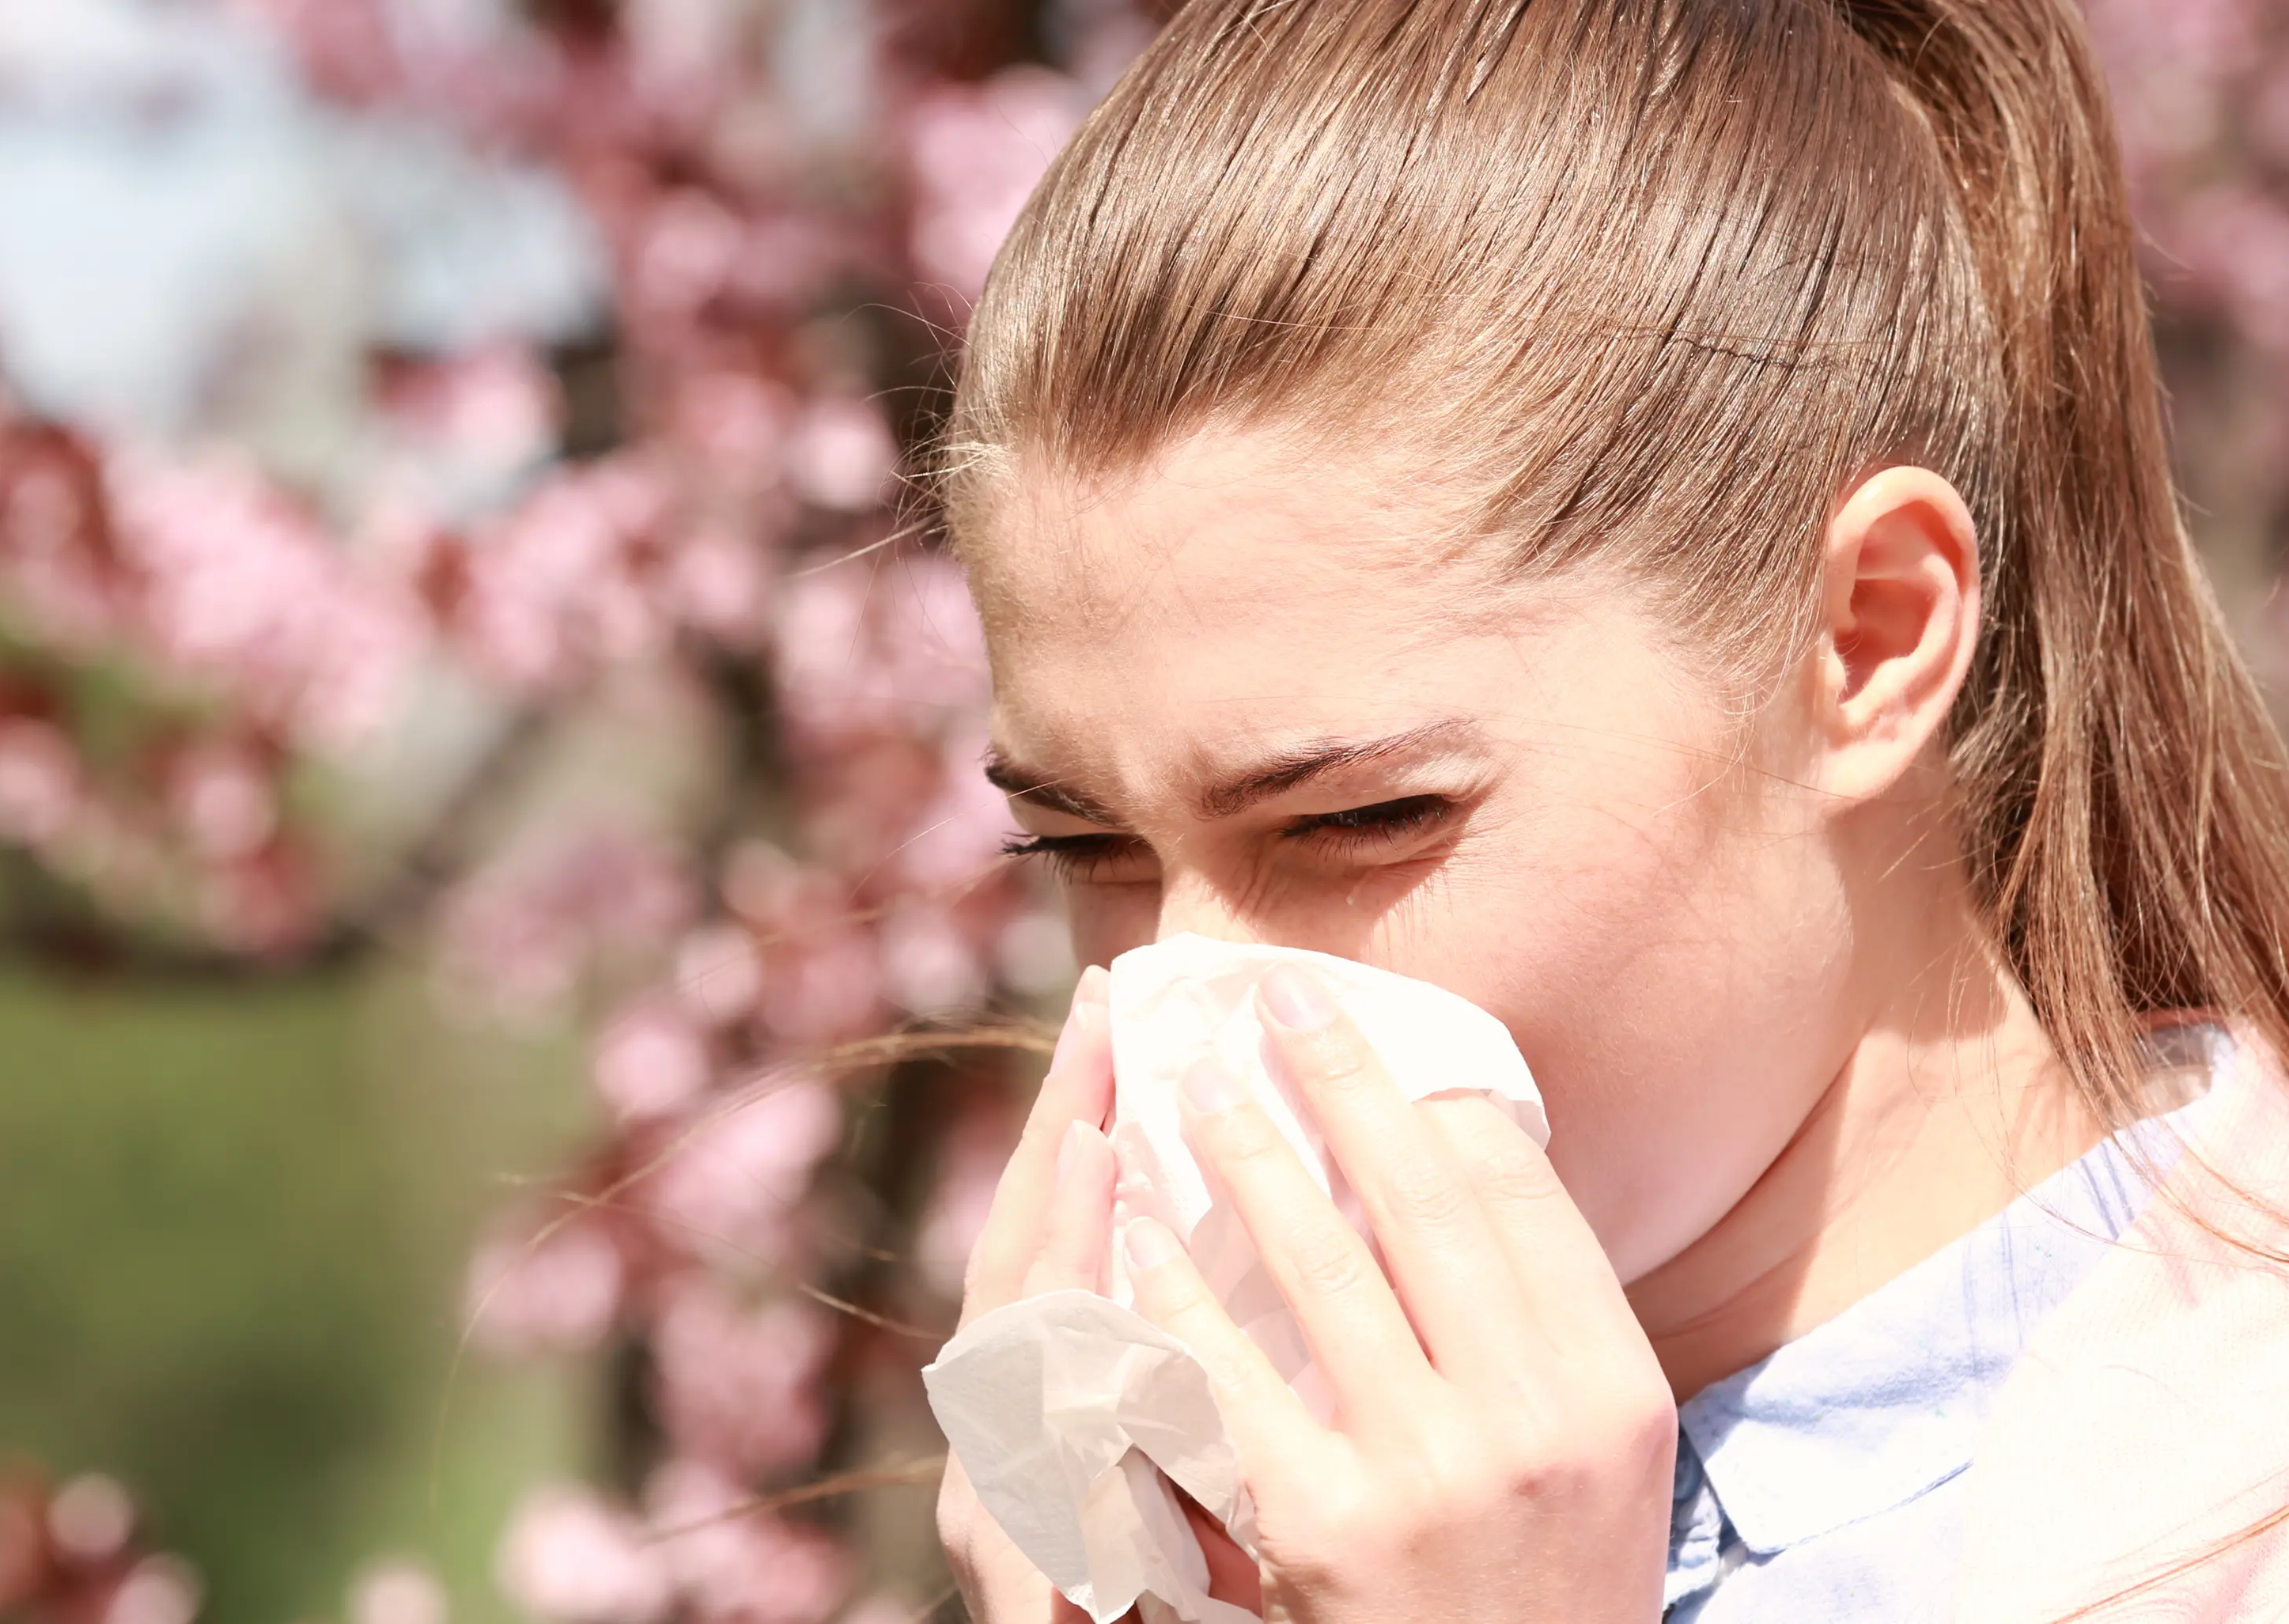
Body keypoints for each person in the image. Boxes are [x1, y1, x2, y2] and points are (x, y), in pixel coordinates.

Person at [931, 0, 2289, 1618]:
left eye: (1364, 821)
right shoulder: (1188, 1520)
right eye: (1086, 847)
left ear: (1866, 637)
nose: (1193, 992)